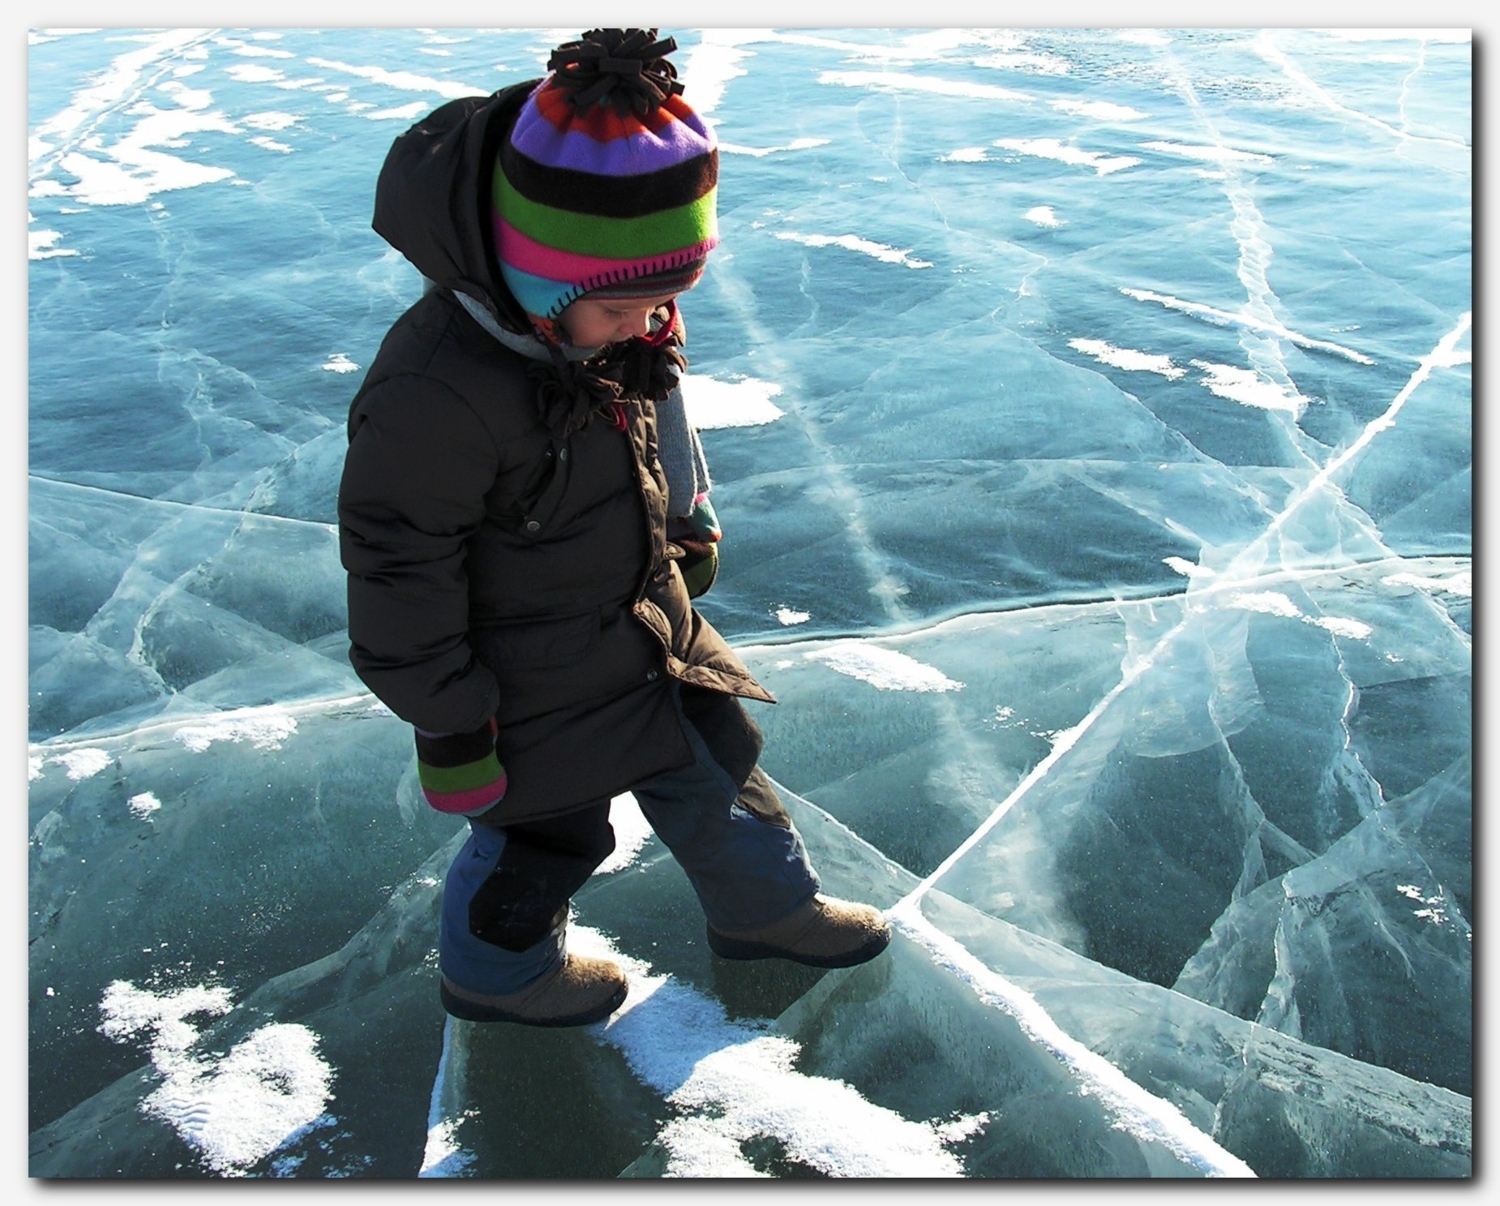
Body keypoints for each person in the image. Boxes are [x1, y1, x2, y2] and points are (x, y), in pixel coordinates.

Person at [338, 28, 890, 1029]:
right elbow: (396, 568)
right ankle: (496, 977)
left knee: (722, 771)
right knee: (547, 838)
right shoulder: (435, 395)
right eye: (627, 307)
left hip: (644, 627)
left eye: (668, 299)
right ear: (538, 287)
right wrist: (455, 720)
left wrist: (687, 521)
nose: (650, 325)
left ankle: (771, 914)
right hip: (526, 682)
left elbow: (657, 418)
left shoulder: (609, 325)